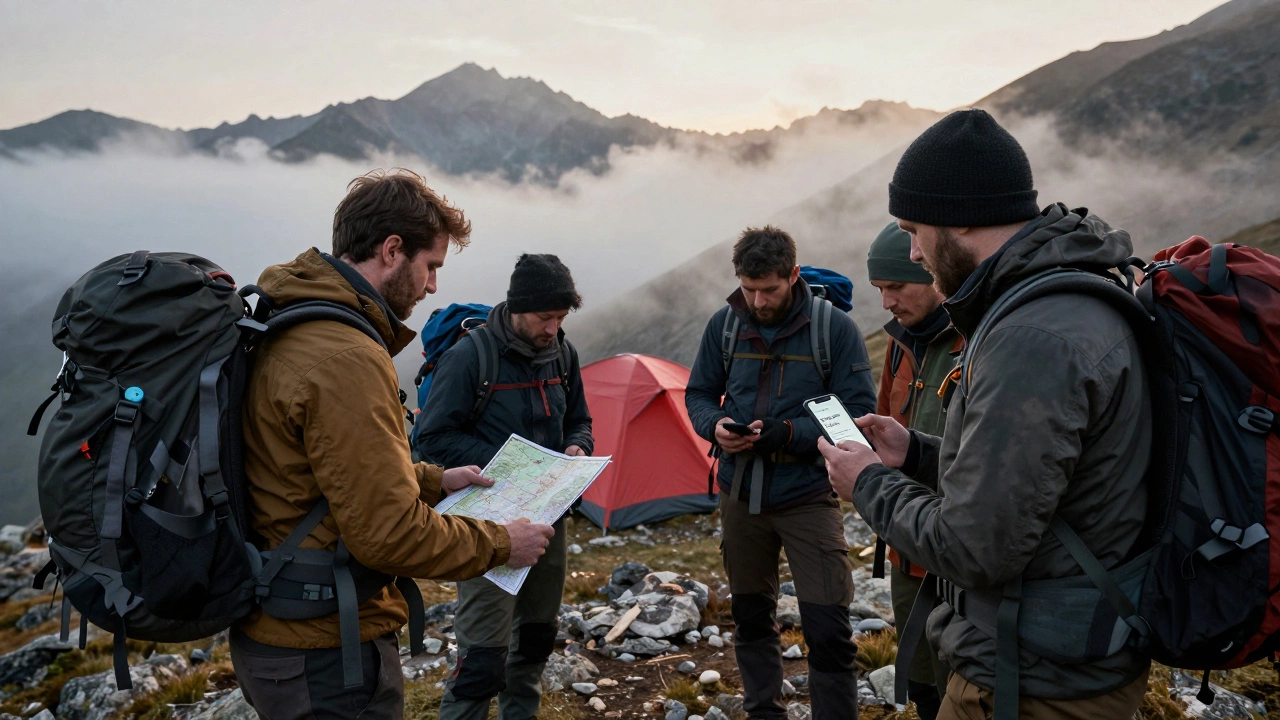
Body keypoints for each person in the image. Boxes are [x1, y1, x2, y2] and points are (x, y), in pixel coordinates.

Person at [819, 110, 1152, 719]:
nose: (914, 251)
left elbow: (975, 548)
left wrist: (866, 481)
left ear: (960, 215)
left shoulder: (1032, 336)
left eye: (914, 229)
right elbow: (1041, 481)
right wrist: (918, 453)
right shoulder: (1062, 298)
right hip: (1060, 658)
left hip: (1033, 683)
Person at [232, 169, 556, 720]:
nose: (433, 287)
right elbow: (389, 537)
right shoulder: (346, 357)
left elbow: (314, 468)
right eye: (431, 267)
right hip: (328, 650)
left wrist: (433, 479)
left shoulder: (289, 315)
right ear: (391, 250)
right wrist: (502, 544)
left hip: (278, 624)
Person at [686, 226, 877, 720]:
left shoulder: (833, 329)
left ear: (793, 275)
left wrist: (787, 433)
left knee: (828, 626)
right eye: (748, 289)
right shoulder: (724, 325)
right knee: (750, 618)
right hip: (739, 491)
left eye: (769, 289)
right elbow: (699, 394)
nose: (758, 300)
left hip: (809, 493)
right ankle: (763, 712)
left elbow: (855, 411)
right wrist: (716, 428)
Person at [419, 254, 593, 720]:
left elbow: (579, 419)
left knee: (535, 640)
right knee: (481, 660)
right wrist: (509, 464)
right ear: (518, 308)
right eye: (545, 317)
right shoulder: (469, 357)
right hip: (486, 524)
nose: (553, 328)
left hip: (548, 518)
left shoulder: (564, 353)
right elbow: (430, 439)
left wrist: (577, 446)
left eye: (561, 317)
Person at [866, 221, 958, 720]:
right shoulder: (900, 344)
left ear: (933, 273)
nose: (886, 303)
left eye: (896, 286)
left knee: (960, 686)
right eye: (879, 289)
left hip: (958, 554)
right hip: (906, 549)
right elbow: (886, 422)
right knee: (922, 680)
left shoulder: (975, 339)